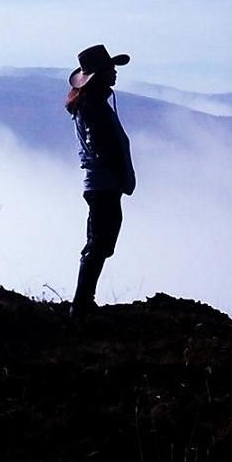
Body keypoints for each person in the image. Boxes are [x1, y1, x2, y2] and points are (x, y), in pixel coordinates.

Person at [65, 43, 135, 314]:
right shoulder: (93, 108)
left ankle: (83, 302)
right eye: (110, 69)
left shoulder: (91, 105)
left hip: (101, 184)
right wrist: (118, 172)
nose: (115, 73)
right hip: (103, 184)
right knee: (99, 243)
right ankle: (81, 305)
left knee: (100, 242)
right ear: (99, 76)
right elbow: (101, 146)